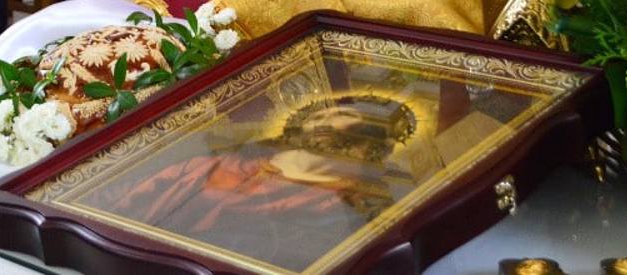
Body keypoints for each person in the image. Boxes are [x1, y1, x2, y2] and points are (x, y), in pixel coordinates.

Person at [90, 93, 416, 272]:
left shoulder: (346, 205)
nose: (323, 119)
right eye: (318, 115)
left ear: (369, 139)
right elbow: (107, 209)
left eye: (343, 116)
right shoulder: (209, 166)